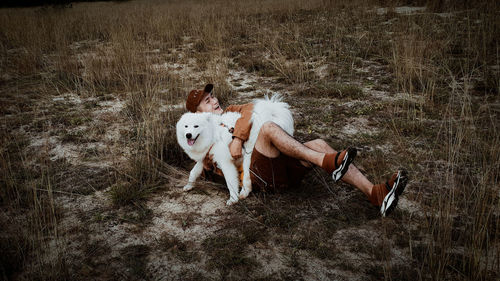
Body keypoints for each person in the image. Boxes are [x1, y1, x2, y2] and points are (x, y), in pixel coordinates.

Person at [185, 84, 408, 216]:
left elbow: (251, 108)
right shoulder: (203, 137)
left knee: (319, 143)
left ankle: (375, 194)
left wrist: (236, 137)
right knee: (268, 128)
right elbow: (210, 164)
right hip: (259, 176)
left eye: (212, 96)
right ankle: (330, 163)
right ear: (197, 114)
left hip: (277, 164)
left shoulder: (230, 110)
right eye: (207, 101)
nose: (214, 100)